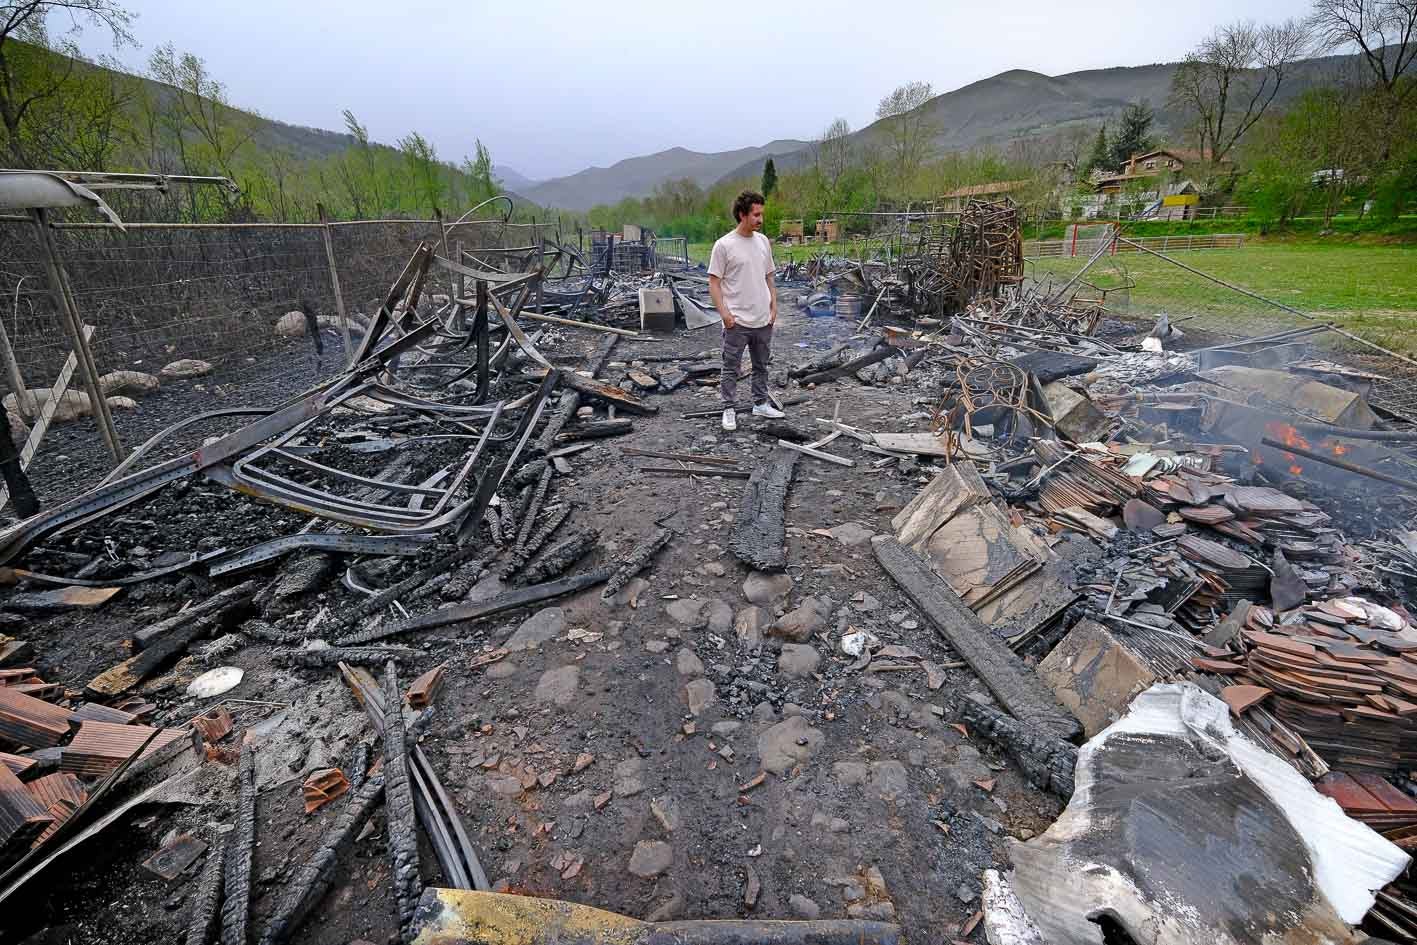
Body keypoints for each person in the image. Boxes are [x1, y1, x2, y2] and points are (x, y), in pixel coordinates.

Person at [708, 190, 784, 432]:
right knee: (731, 366)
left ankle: (760, 403)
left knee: (762, 365)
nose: (760, 219)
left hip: (763, 319)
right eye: (756, 214)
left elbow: (769, 277)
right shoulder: (724, 245)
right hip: (737, 321)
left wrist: (774, 305)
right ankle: (728, 409)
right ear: (742, 214)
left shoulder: (762, 242)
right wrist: (725, 315)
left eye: (762, 214)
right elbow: (714, 282)